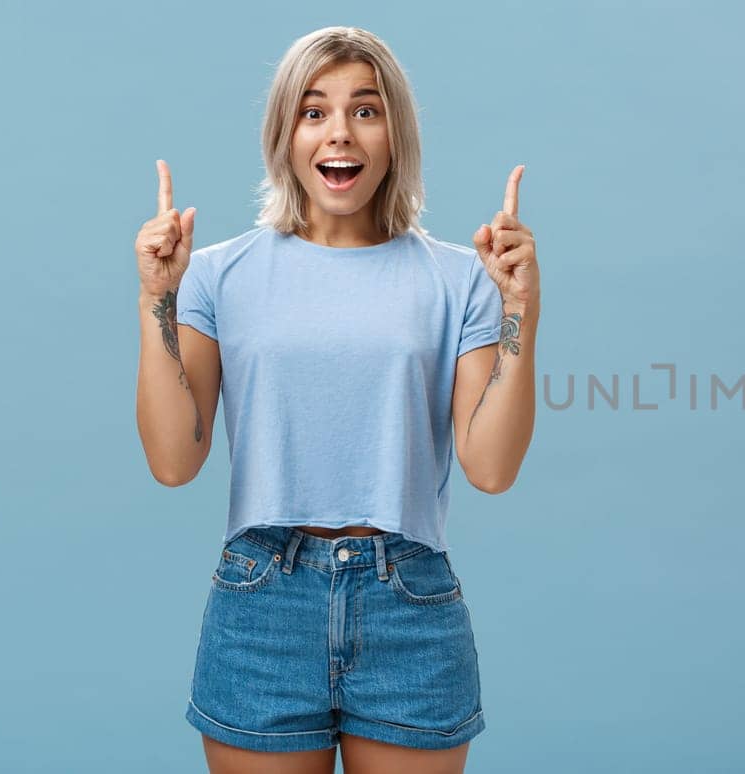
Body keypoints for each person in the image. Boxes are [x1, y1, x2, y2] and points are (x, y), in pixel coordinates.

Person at [133, 25, 539, 774]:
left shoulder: (459, 280)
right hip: (262, 603)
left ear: (395, 133)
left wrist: (520, 311)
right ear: (284, 134)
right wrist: (157, 299)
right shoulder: (219, 275)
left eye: (366, 109)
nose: (339, 133)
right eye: (313, 111)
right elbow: (171, 460)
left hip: (408, 604)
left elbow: (490, 468)